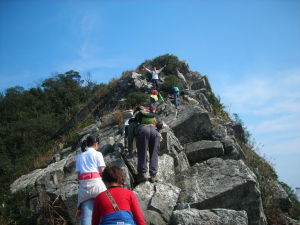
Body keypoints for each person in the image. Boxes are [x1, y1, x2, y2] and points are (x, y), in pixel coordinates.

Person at [75, 135, 107, 225]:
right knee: (105, 210)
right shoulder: (98, 154)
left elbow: (78, 175)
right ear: (96, 144)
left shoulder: (80, 156)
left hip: (84, 187)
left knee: (87, 216)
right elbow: (102, 170)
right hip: (97, 184)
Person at [134, 109, 163, 183]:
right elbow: (160, 125)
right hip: (155, 131)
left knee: (142, 152)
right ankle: (153, 175)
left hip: (143, 130)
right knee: (154, 153)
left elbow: (134, 124)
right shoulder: (154, 115)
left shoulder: (139, 114)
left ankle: (142, 174)